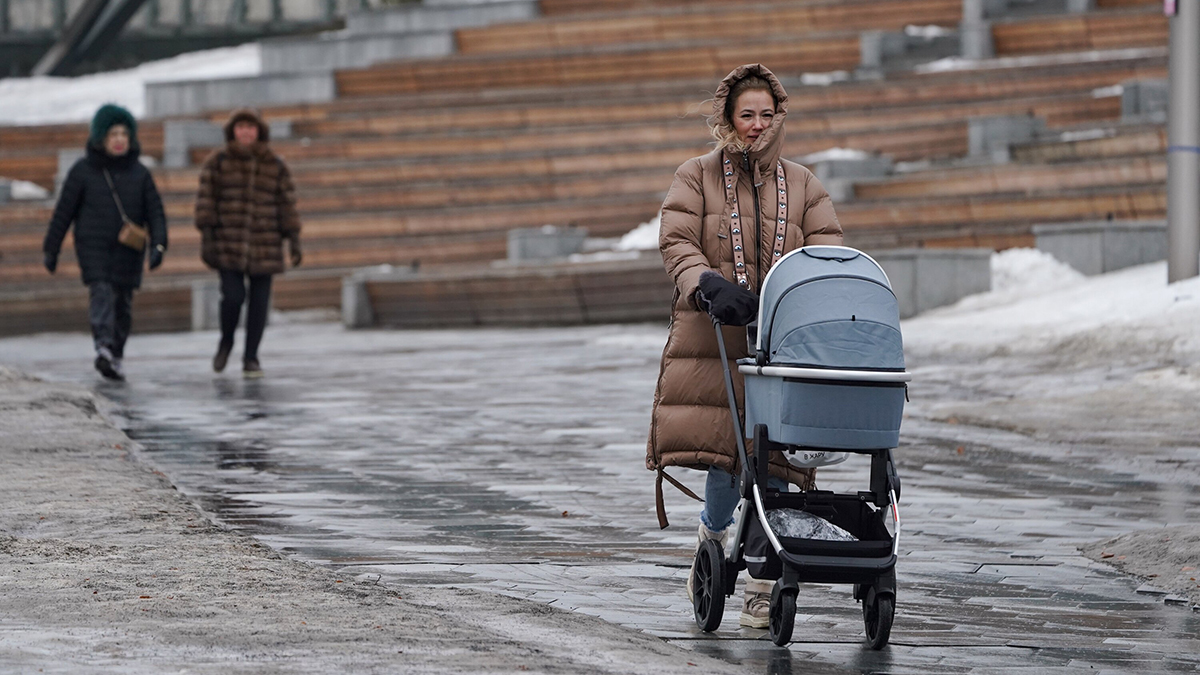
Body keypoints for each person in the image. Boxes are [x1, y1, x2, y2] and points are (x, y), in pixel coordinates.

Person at [645, 64, 844, 628]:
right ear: (728, 117)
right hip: (716, 335)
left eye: (765, 115)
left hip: (783, 341)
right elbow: (677, 238)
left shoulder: (803, 184)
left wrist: (805, 299)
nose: (756, 126)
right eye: (745, 114)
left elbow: (828, 246)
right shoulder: (695, 175)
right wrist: (705, 283)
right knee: (725, 455)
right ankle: (712, 540)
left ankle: (762, 577)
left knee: (778, 458)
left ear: (778, 116)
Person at [43, 104, 167, 381]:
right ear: (101, 138)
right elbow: (64, 212)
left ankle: (116, 353)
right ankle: (103, 347)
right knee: (100, 292)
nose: (119, 139)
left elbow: (155, 212)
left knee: (122, 303)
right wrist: (51, 248)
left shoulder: (140, 173)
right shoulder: (82, 171)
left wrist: (158, 246)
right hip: (93, 247)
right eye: (113, 134)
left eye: (124, 133)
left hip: (128, 250)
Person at [195, 107, 302, 379]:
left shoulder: (275, 165)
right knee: (233, 297)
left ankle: (251, 356)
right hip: (228, 243)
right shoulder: (217, 162)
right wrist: (207, 237)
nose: (245, 132)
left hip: (265, 244)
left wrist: (294, 239)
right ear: (232, 131)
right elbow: (206, 202)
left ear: (259, 131)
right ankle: (226, 340)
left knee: (259, 303)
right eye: (240, 126)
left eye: (250, 127)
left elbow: (287, 204)